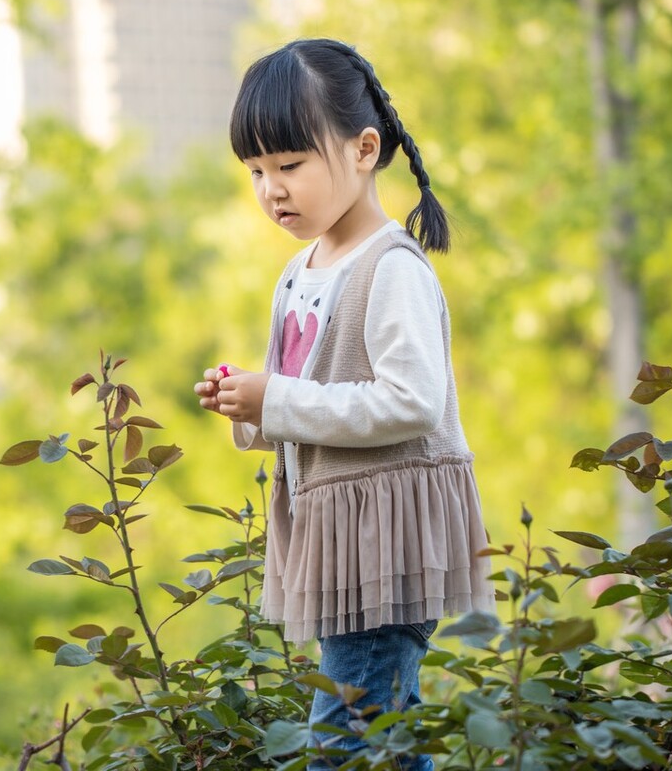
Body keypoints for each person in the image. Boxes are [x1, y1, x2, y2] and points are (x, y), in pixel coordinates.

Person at [193, 38, 496, 769]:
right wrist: (250, 405)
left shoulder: (391, 268)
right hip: (340, 541)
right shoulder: (299, 272)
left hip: (386, 541)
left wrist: (280, 398)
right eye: (256, 171)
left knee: (343, 741)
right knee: (384, 741)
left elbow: (410, 403)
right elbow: (308, 403)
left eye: (290, 164)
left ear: (364, 149)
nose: (272, 189)